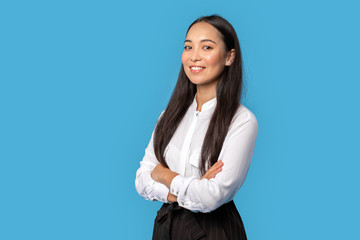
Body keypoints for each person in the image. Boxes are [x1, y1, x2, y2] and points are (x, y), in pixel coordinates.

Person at [135, 14, 258, 240]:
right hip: (166, 228)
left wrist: (164, 174)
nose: (194, 57)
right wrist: (188, 188)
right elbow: (142, 179)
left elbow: (212, 196)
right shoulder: (169, 116)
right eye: (188, 47)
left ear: (229, 56)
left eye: (207, 47)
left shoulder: (241, 120)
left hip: (213, 231)